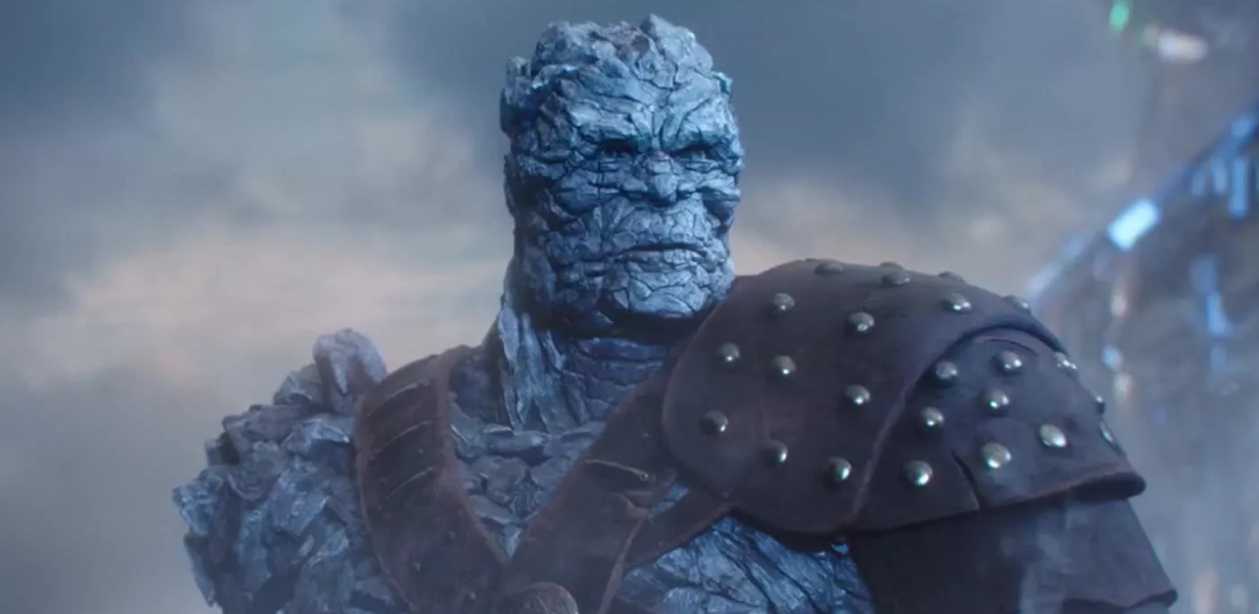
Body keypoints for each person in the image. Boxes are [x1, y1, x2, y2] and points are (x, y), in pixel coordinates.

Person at [173, 15, 1177, 614]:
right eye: (611, 152)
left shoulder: (916, 387)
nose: (661, 187)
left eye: (695, 152)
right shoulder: (305, 466)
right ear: (524, 179)